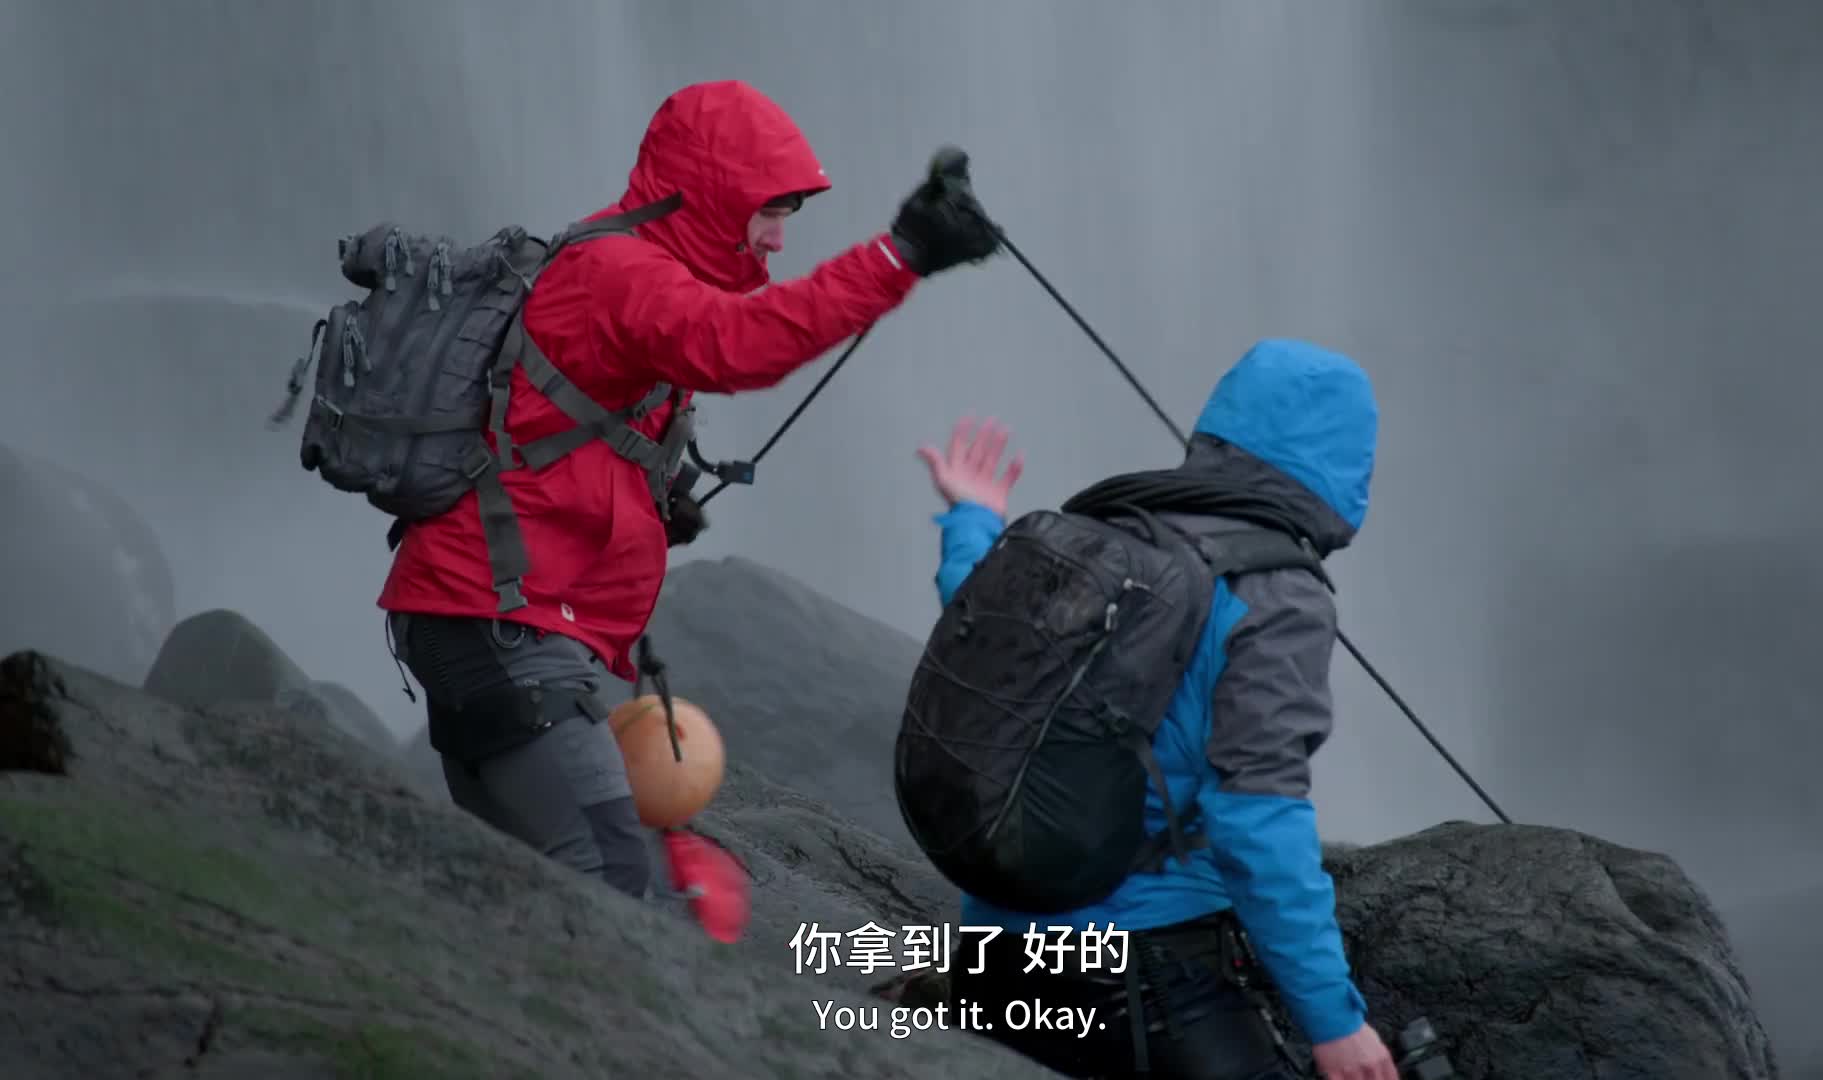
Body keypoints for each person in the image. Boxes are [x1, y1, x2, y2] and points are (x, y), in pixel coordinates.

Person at [378, 79, 1000, 936]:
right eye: (768, 211)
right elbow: (738, 345)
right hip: (498, 625)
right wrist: (902, 256)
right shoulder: (620, 271)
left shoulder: (622, 263)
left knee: (544, 893)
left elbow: (556, 419)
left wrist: (650, 491)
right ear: (710, 194)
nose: (778, 237)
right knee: (614, 889)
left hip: (493, 621)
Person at [916, 339, 1399, 1080]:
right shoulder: (1280, 597)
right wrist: (1335, 1023)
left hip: (992, 954)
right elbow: (1257, 818)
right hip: (1135, 978)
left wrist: (972, 519)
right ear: (1346, 469)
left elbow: (981, 620)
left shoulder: (1104, 533)